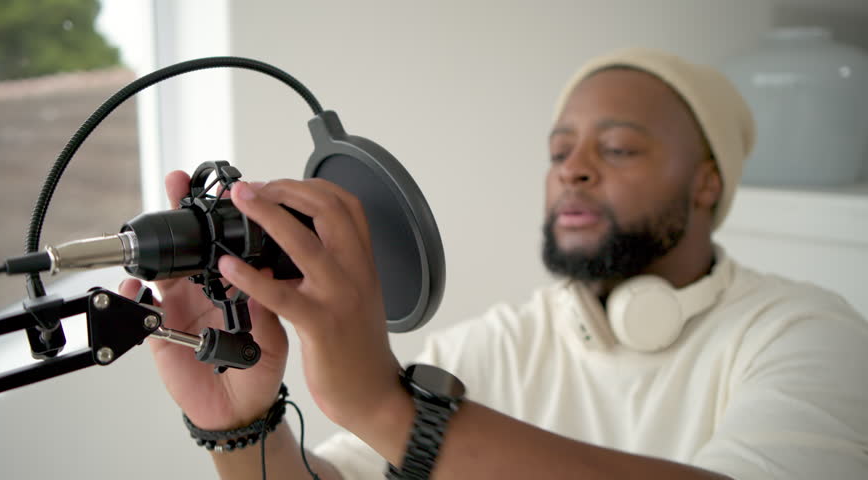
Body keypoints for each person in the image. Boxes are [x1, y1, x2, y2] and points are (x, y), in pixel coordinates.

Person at [120, 48, 868, 479]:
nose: (572, 170)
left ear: (708, 180)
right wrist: (243, 430)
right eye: (558, 152)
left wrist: (388, 407)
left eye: (616, 148)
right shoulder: (496, 348)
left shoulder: (810, 333)